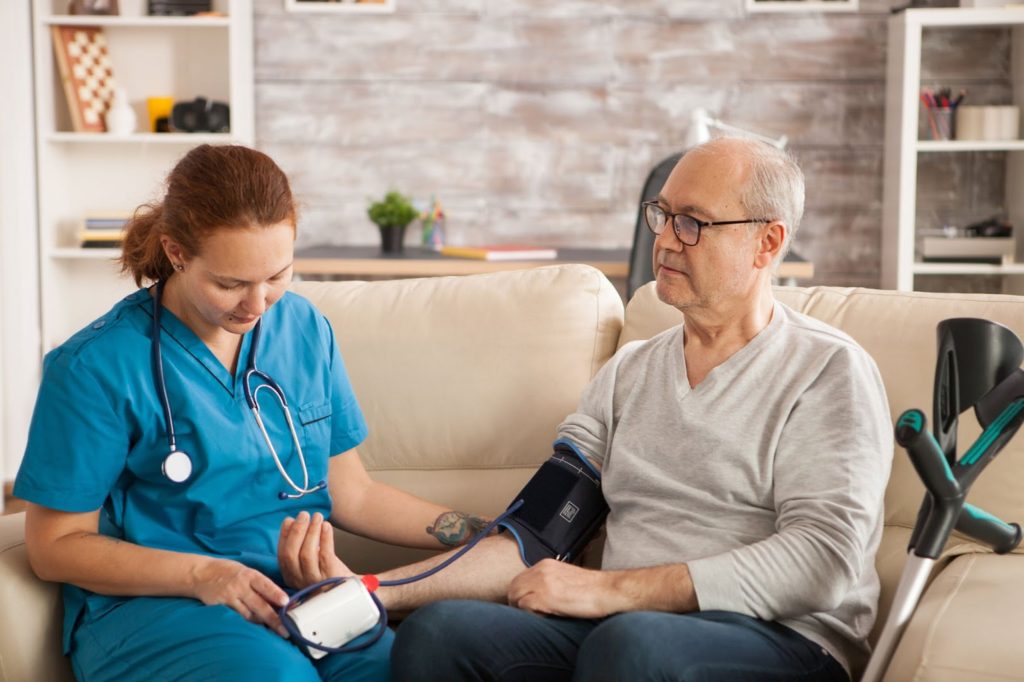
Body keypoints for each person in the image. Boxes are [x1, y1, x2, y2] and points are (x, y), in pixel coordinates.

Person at [278, 137, 893, 681]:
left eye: (693, 223)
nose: (666, 239)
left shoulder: (826, 371)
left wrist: (613, 592)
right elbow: (538, 534)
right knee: (443, 632)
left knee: (632, 644)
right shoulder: (630, 373)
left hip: (781, 640)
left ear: (767, 241)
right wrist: (372, 590)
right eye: (663, 216)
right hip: (623, 630)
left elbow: (824, 560)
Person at [13, 144, 491, 682]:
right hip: (160, 606)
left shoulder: (305, 329)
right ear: (175, 252)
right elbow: (54, 548)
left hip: (299, 595)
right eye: (230, 283)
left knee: (413, 667)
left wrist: (486, 532)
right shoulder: (94, 367)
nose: (258, 304)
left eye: (277, 276)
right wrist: (203, 574)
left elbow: (352, 493)